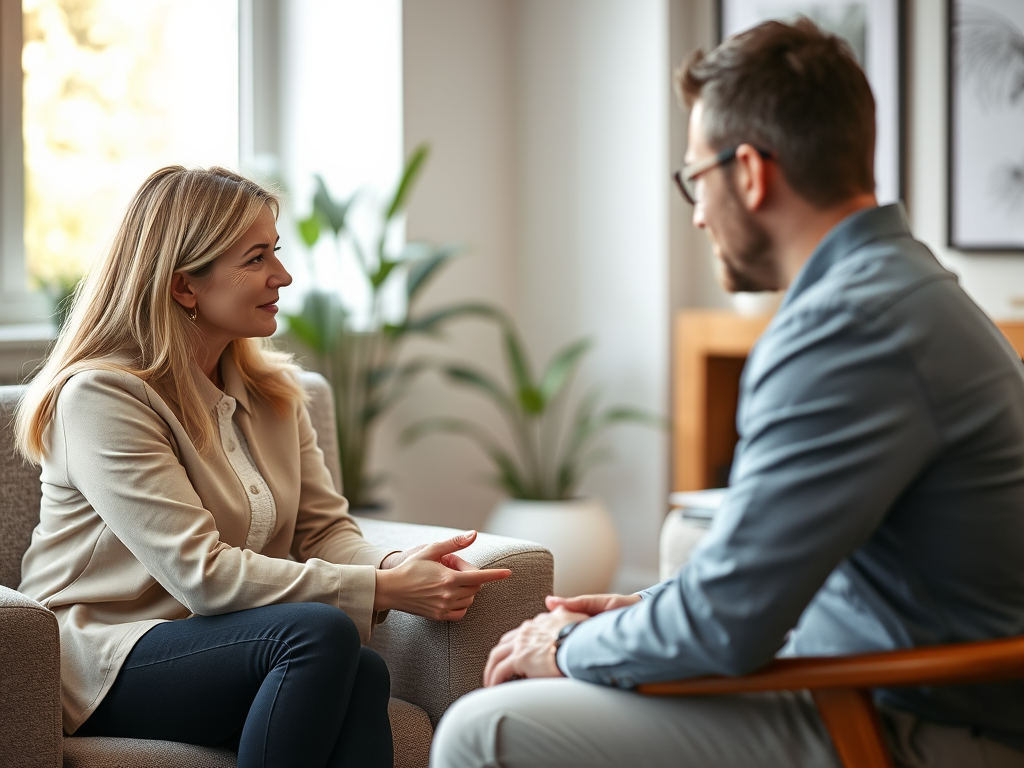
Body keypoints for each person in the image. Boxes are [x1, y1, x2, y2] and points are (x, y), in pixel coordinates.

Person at [431, 18, 1024, 768]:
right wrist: (648, 613)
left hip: (910, 722)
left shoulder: (844, 325)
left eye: (695, 179)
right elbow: (773, 572)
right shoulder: (904, 290)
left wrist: (574, 642)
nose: (698, 211)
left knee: (483, 731)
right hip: (892, 683)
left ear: (749, 171)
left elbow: (723, 626)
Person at [15, 166, 511, 768]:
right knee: (319, 636)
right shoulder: (103, 398)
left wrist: (393, 564)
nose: (284, 275)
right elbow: (202, 575)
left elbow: (323, 531)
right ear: (183, 286)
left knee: (361, 671)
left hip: (235, 646)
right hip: (103, 656)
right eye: (256, 258)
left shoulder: (275, 393)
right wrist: (384, 589)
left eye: (275, 251)